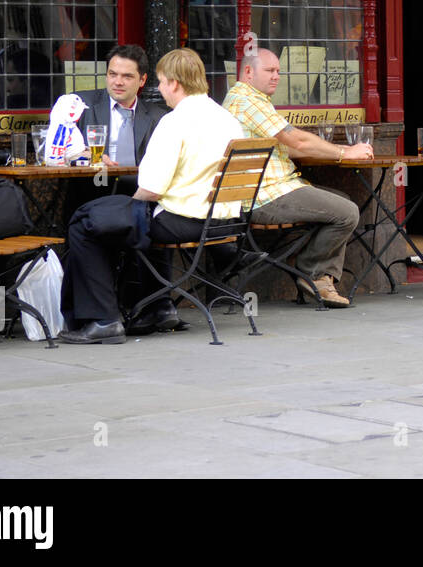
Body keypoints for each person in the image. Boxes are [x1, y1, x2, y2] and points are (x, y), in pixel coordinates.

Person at [59, 49, 244, 344]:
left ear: (174, 83)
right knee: (109, 215)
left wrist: (126, 204)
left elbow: (151, 189)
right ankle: (156, 307)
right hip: (226, 222)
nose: (158, 89)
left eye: (160, 82)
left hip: (180, 220)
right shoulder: (228, 119)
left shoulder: (174, 121)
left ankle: (103, 320)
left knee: (86, 219)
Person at [223, 47, 373, 307]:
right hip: (264, 195)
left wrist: (335, 152)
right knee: (346, 211)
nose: (276, 76)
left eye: (278, 71)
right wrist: (344, 152)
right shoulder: (247, 102)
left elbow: (289, 145)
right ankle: (314, 275)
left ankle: (315, 271)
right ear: (248, 72)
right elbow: (298, 142)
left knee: (341, 199)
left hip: (274, 188)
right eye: (270, 70)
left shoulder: (252, 99)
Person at [57, 45, 168, 222]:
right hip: (93, 192)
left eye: (127, 76)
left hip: (139, 198)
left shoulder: (158, 117)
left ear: (142, 80)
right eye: (113, 74)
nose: (118, 82)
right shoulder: (80, 105)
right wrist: (84, 154)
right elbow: (57, 148)